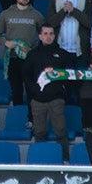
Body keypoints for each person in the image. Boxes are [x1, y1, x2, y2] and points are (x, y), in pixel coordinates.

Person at [24, 24, 75, 158]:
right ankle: (41, 159)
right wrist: (34, 92)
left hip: (56, 100)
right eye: (45, 33)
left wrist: (63, 92)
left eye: (51, 33)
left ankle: (65, 161)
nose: (49, 36)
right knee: (39, 132)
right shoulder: (32, 54)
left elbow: (70, 76)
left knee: (61, 132)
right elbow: (27, 76)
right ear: (40, 36)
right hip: (37, 101)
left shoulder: (63, 54)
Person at [0, 0, 45, 106]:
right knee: (17, 91)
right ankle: (19, 118)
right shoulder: (6, 14)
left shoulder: (36, 15)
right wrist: (5, 42)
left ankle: (32, 120)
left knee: (32, 90)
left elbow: (45, 33)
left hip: (31, 59)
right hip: (13, 58)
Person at [45, 0, 92, 67]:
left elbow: (90, 23)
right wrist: (63, 11)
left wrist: (73, 11)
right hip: (61, 49)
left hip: (81, 51)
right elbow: (50, 24)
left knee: (80, 82)